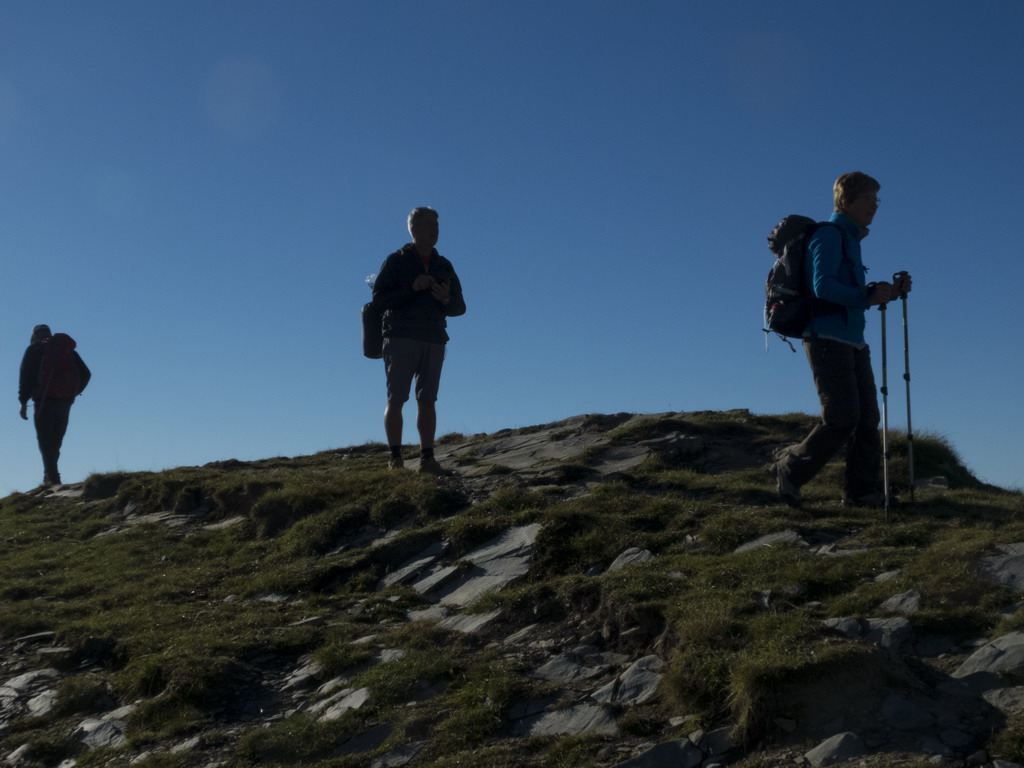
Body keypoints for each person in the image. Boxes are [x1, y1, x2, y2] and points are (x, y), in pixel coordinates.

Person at [774, 172, 912, 508]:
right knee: (842, 416)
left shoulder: (851, 238)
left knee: (867, 418)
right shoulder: (829, 235)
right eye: (868, 199)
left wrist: (889, 293)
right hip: (825, 337)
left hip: (852, 340)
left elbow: (850, 293)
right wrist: (866, 295)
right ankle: (790, 469)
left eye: (876, 200)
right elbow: (823, 286)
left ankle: (861, 492)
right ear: (846, 200)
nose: (874, 206)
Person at [371, 207, 466, 474]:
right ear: (413, 229)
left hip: (434, 338)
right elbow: (379, 301)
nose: (435, 230)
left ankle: (427, 459)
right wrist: (411, 288)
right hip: (400, 336)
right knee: (397, 399)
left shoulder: (444, 264)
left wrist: (445, 299)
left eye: (437, 226)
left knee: (428, 400)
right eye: (429, 225)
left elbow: (460, 307)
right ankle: (395, 460)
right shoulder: (396, 261)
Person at [18, 325, 92, 487]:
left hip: (44, 400)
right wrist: (74, 392)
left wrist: (23, 402)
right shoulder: (66, 349)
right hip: (65, 401)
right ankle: (50, 475)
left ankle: (52, 478)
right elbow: (86, 373)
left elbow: (26, 376)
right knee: (57, 438)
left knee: (45, 439)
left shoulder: (34, 349)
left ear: (35, 335)